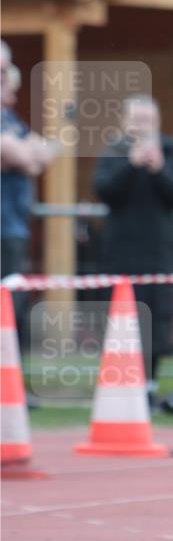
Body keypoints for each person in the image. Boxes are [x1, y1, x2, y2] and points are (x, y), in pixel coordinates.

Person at [93, 96, 173, 403]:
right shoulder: (115, 150)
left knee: (157, 317)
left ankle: (150, 385)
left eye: (147, 120)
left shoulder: (169, 150)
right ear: (124, 121)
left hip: (159, 252)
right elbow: (104, 190)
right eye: (136, 120)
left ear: (157, 122)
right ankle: (119, 384)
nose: (141, 127)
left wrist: (159, 170)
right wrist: (131, 165)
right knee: (122, 319)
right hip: (120, 253)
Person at [1, 42, 59, 344]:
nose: (6, 77)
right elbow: (24, 156)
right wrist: (24, 155)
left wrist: (24, 155)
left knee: (13, 302)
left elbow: (41, 155)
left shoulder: (11, 120)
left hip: (13, 225)